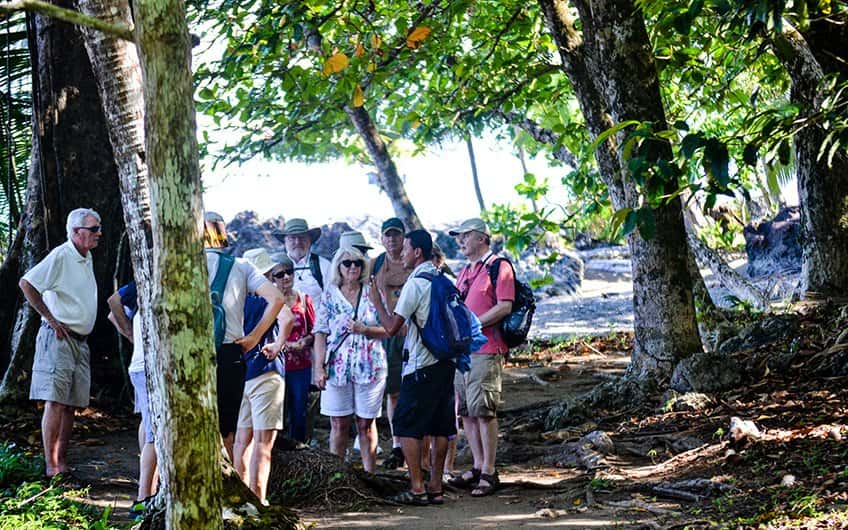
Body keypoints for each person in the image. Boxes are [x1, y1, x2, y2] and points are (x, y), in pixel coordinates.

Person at [369, 229, 457, 506]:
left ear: (417, 251)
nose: (402, 254)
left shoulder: (416, 283)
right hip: (446, 362)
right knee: (441, 426)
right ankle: (436, 487)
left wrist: (377, 302)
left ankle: (417, 488)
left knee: (406, 425)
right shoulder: (443, 278)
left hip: (421, 365)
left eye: (405, 249)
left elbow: (393, 327)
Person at [18, 208, 101, 478]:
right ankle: (51, 466)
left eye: (99, 228)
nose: (99, 233)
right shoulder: (61, 255)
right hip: (59, 339)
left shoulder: (85, 257)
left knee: (71, 404)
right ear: (76, 232)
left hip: (81, 342)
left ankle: (62, 462)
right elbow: (27, 283)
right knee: (55, 401)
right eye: (93, 229)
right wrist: (51, 319)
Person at [204, 212, 284, 460]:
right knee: (227, 431)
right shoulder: (241, 266)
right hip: (230, 352)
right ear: (223, 236)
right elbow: (277, 299)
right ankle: (225, 487)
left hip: (191, 352)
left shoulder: (183, 263)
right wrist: (253, 338)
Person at [448, 218, 514, 497]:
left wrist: (474, 324)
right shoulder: (465, 270)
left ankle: (489, 470)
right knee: (466, 412)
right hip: (464, 352)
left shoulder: (499, 266)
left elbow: (505, 306)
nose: (460, 242)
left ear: (482, 238)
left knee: (484, 411)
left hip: (487, 349)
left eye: (465, 236)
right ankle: (476, 465)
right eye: (459, 237)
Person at [312, 246, 387, 473]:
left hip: (370, 364)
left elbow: (390, 327)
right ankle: (340, 476)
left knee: (366, 423)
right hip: (337, 366)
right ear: (338, 267)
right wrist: (318, 368)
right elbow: (320, 333)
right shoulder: (329, 294)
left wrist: (365, 329)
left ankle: (370, 474)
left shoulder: (372, 292)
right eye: (347, 263)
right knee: (338, 423)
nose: (353, 267)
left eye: (358, 263)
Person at [233, 248, 293, 505]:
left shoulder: (235, 299)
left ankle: (240, 499)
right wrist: (279, 344)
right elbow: (288, 317)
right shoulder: (268, 299)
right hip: (266, 373)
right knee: (263, 444)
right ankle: (259, 500)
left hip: (240, 374)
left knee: (241, 441)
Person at [106, 281, 158, 513]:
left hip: (141, 367)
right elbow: (112, 304)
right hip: (149, 367)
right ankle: (143, 497)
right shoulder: (147, 282)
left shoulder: (145, 295)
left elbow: (111, 315)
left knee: (148, 426)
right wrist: (130, 335)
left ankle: (151, 488)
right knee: (155, 434)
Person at [371, 217, 410, 469]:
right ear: (382, 238)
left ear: (404, 237)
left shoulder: (413, 260)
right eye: (388, 235)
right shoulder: (375, 264)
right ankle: (397, 445)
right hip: (387, 333)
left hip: (413, 334)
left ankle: (415, 443)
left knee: (414, 389)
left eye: (397, 235)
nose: (392, 239)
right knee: (393, 392)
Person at [268, 253, 316, 443]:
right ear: (272, 278)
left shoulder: (304, 300)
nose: (286, 277)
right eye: (280, 274)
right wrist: (283, 345)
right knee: (276, 410)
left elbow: (315, 331)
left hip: (301, 365)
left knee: (299, 410)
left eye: (289, 272)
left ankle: (299, 449)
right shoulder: (269, 301)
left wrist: (304, 342)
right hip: (276, 365)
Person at [273, 218, 331, 303]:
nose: (297, 242)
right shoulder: (274, 267)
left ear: (310, 241)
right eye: (292, 238)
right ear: (285, 242)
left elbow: (331, 299)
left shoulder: (324, 266)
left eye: (302, 238)